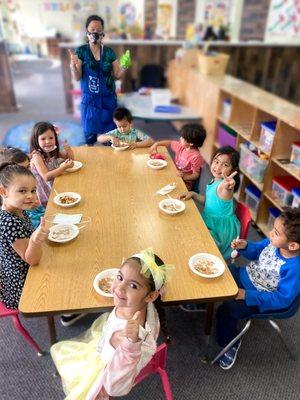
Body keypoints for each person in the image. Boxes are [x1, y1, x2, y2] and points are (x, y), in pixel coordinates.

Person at [51, 248, 171, 400]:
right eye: (120, 277)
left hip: (107, 371)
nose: (119, 288)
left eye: (133, 286)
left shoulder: (126, 338)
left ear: (151, 295)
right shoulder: (147, 303)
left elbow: (114, 388)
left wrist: (129, 346)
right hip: (113, 350)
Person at [216, 207, 300, 370]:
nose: (270, 234)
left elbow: (282, 299)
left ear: (293, 245)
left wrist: (247, 295)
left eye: (276, 232)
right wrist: (245, 245)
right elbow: (257, 250)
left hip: (261, 299)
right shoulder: (273, 243)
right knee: (220, 274)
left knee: (227, 310)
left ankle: (230, 343)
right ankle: (203, 301)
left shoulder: (294, 269)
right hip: (246, 276)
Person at [69, 15, 131, 146]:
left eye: (99, 29)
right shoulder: (81, 51)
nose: (95, 32)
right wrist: (73, 66)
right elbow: (77, 77)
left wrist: (125, 65)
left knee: (110, 140)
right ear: (87, 31)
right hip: (90, 101)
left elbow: (117, 75)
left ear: (103, 32)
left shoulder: (109, 52)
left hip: (108, 101)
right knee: (89, 140)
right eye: (92, 29)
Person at [0, 163, 49, 309]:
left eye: (33, 190)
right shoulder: (10, 223)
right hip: (22, 282)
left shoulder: (17, 210)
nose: (30, 196)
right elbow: (32, 260)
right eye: (22, 191)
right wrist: (34, 241)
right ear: (3, 192)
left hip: (24, 266)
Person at [180, 146, 240, 260]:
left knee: (197, 243)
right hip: (211, 221)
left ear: (232, 170)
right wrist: (194, 194)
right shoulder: (215, 180)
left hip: (220, 230)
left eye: (225, 165)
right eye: (216, 162)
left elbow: (226, 189)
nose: (218, 167)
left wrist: (228, 186)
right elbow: (210, 202)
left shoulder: (224, 185)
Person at [30, 121, 74, 207]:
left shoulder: (53, 150)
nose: (48, 141)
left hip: (55, 184)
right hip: (44, 190)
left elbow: (70, 159)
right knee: (52, 207)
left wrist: (68, 149)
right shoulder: (36, 156)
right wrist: (64, 167)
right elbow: (46, 177)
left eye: (51, 138)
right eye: (43, 139)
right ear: (36, 140)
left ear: (55, 138)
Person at [150, 123, 207, 190]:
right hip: (175, 173)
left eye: (183, 138)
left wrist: (184, 177)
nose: (180, 138)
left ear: (191, 143)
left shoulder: (196, 156)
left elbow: (196, 175)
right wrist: (157, 144)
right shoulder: (182, 146)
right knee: (156, 177)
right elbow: (170, 143)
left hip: (185, 182)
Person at [0, 147, 45, 229]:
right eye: (21, 169)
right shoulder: (10, 223)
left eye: (28, 166)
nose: (27, 172)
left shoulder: (20, 208)